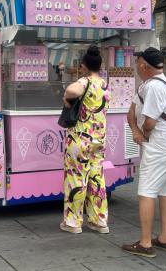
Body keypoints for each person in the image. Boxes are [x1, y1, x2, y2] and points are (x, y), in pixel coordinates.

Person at [122, 47, 166, 258]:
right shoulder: (164, 83)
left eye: (137, 63)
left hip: (161, 145)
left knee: (147, 191)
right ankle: (165, 238)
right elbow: (132, 112)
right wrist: (135, 129)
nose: (136, 67)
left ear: (144, 65)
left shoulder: (151, 87)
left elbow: (149, 121)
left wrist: (141, 134)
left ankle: (145, 243)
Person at [60, 45, 110, 235]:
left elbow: (71, 90)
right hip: (99, 140)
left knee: (76, 178)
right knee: (97, 178)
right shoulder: (104, 84)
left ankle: (73, 222)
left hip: (80, 139)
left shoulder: (85, 81)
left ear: (84, 66)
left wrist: (66, 97)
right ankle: (99, 221)